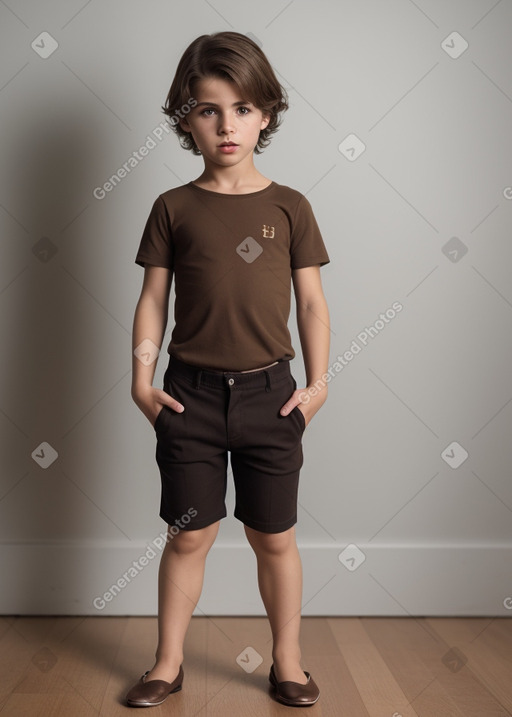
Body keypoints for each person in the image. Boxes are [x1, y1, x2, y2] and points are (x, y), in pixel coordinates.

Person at [126, 31, 330, 709]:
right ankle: (167, 662)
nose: (227, 124)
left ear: (266, 113)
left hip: (272, 396)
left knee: (274, 536)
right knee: (190, 534)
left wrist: (318, 384)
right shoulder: (173, 208)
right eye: (209, 109)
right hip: (189, 396)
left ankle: (289, 664)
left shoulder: (290, 206)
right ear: (186, 118)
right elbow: (153, 299)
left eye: (242, 108)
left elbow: (310, 301)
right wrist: (140, 380)